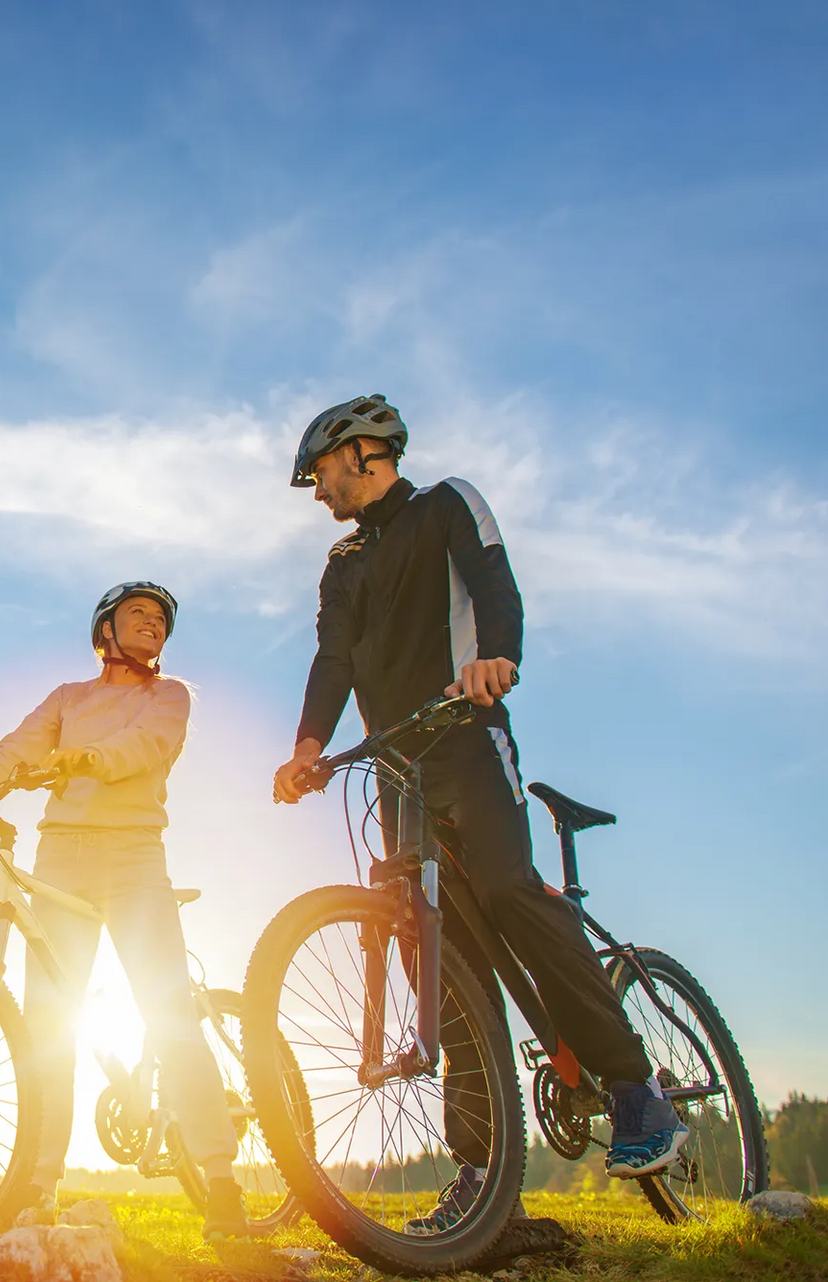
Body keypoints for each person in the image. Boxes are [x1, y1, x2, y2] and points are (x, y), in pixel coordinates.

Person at [269, 395, 687, 1235]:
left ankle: (638, 1092)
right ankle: (483, 1173)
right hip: (398, 767)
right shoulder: (342, 563)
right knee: (444, 960)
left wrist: (499, 655)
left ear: (361, 452)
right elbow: (334, 658)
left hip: (466, 733)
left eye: (321, 474)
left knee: (506, 890)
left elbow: (494, 579)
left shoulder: (445, 505)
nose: (318, 492)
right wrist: (310, 742)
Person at [0, 582, 250, 1241]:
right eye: (138, 614)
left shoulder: (168, 696)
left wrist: (87, 757)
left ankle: (222, 1185)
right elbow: (11, 754)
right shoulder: (67, 699)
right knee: (47, 1024)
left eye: (162, 620)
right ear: (104, 630)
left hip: (135, 858)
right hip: (63, 859)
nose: (153, 625)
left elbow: (146, 746)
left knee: (170, 1019)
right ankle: (40, 1185)